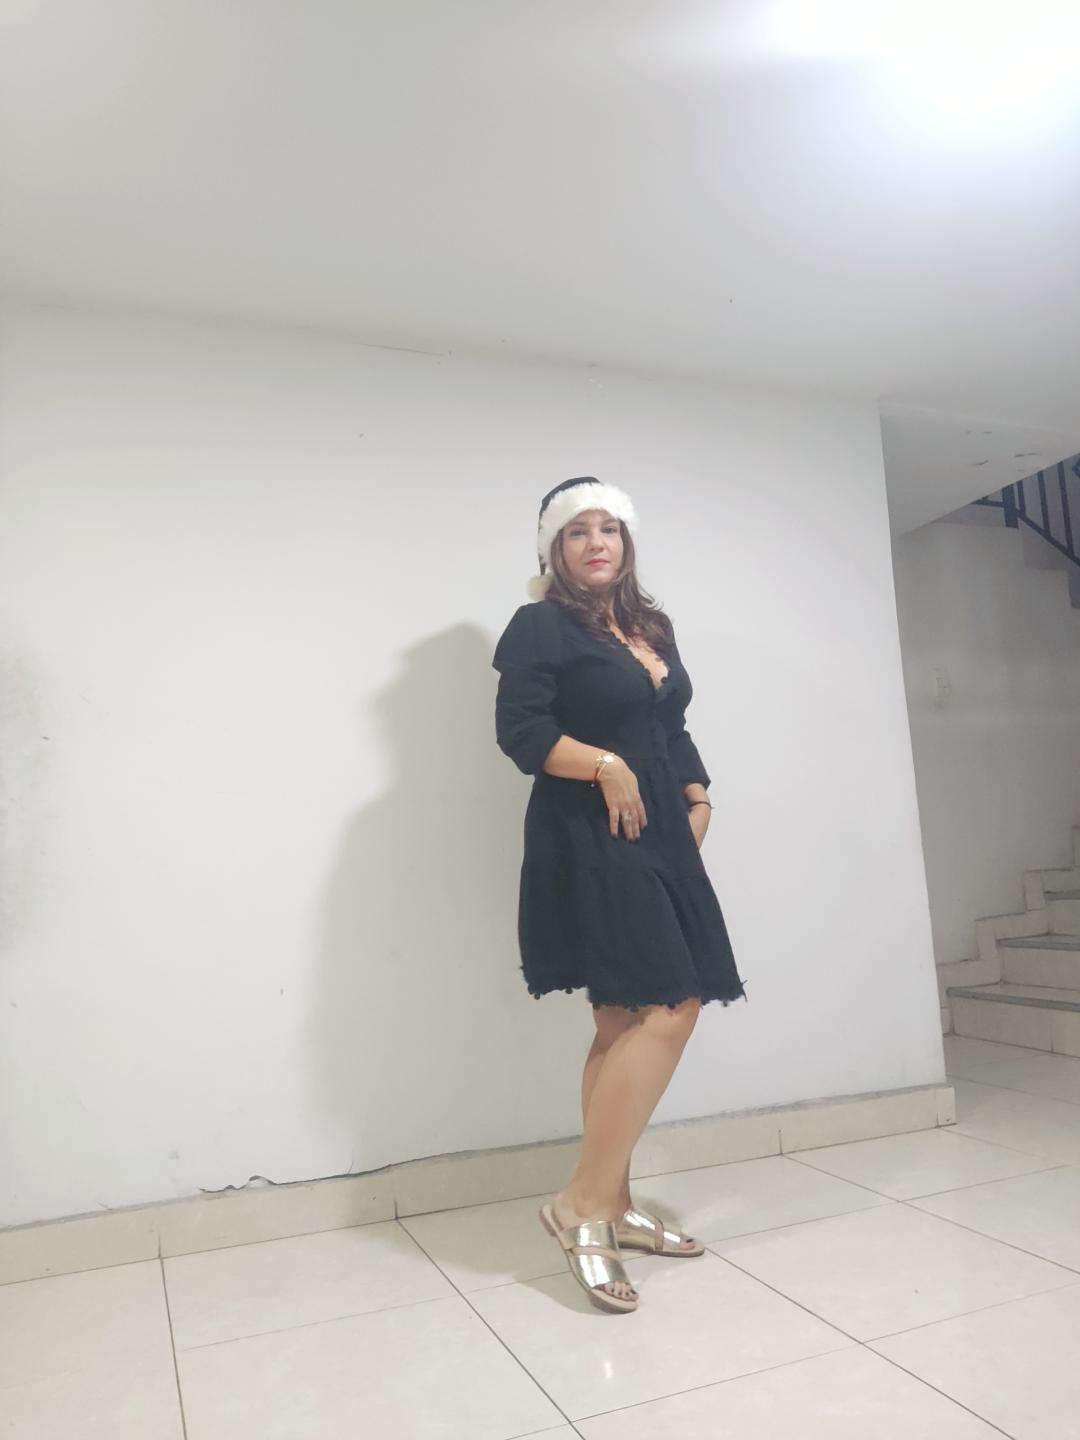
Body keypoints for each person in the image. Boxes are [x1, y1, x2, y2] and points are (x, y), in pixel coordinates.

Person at [492, 476, 748, 1315]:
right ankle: (583, 1205)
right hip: (590, 832)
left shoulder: (649, 629)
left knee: (621, 1020)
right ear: (555, 549)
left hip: (662, 830)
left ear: (626, 542)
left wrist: (699, 794)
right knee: (671, 1004)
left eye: (609, 528)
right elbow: (521, 732)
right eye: (578, 532)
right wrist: (604, 765)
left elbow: (670, 725)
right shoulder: (540, 625)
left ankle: (613, 1203)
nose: (596, 542)